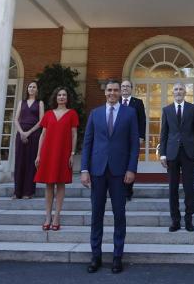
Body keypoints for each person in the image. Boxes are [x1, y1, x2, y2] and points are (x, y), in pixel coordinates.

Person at [81, 79, 139, 274]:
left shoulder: (129, 113)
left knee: (119, 215)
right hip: (97, 170)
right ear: (105, 93)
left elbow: (134, 144)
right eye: (110, 90)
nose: (113, 93)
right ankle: (95, 256)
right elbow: (87, 142)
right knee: (96, 215)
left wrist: (131, 169)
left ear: (120, 93)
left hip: (120, 172)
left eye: (115, 90)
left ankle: (117, 257)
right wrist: (84, 169)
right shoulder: (95, 113)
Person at [160, 82, 194, 232]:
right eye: (176, 90)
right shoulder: (166, 110)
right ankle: (175, 220)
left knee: (189, 187)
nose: (178, 92)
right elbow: (164, 133)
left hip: (188, 153)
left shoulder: (193, 109)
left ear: (185, 92)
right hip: (172, 153)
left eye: (181, 89)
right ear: (173, 93)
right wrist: (162, 154)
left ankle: (189, 220)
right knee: (172, 188)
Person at [34, 87, 78, 230]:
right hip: (48, 152)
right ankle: (47, 216)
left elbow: (74, 135)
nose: (61, 97)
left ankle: (57, 216)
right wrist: (38, 154)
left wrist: (72, 154)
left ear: (67, 98)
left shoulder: (72, 114)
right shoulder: (48, 114)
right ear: (55, 97)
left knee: (60, 184)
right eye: (59, 95)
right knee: (48, 184)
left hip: (64, 153)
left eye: (64, 95)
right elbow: (43, 135)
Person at [13, 81, 44, 199]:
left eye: (34, 87)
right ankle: (17, 192)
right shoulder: (22, 102)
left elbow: (41, 121)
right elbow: (16, 119)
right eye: (30, 87)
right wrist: (21, 133)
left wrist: (29, 132)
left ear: (37, 90)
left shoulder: (40, 103)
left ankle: (28, 192)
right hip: (21, 133)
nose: (31, 89)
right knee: (19, 161)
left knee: (31, 162)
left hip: (34, 134)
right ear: (27, 89)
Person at [120, 80, 146, 201]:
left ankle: (128, 191)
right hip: (118, 140)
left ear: (131, 88)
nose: (125, 88)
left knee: (131, 164)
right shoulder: (116, 101)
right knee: (119, 164)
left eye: (127, 86)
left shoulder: (138, 103)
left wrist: (141, 136)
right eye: (123, 86)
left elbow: (142, 120)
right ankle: (119, 189)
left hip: (133, 138)